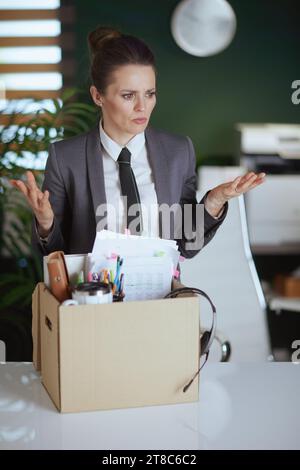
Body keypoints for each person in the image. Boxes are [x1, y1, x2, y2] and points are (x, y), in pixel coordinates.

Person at [10, 26, 265, 259]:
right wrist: (45, 223)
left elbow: (187, 244)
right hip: (96, 303)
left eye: (150, 94)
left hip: (160, 300)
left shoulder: (178, 152)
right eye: (128, 95)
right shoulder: (66, 158)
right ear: (98, 96)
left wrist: (213, 202)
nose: (142, 107)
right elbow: (54, 255)